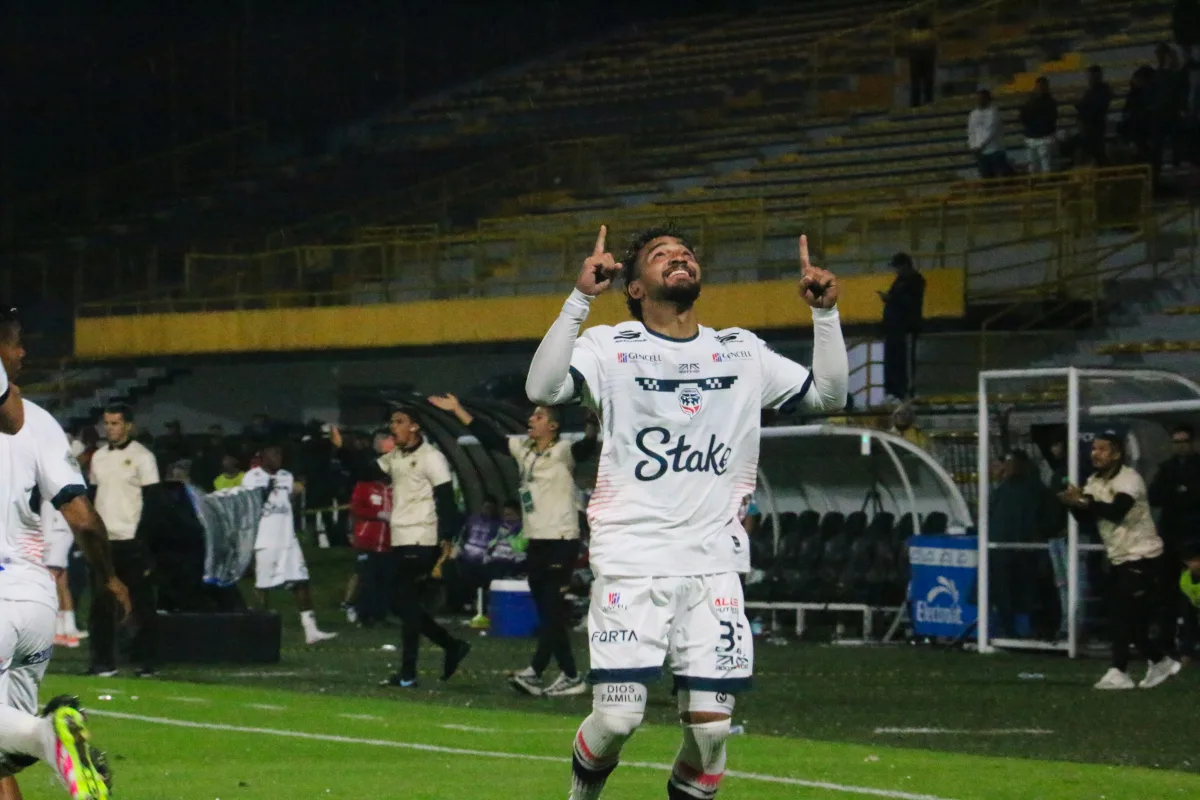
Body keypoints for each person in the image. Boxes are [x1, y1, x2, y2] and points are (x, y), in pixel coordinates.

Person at [526, 224, 848, 800]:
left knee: (712, 733)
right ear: (632, 286)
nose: (678, 257)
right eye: (659, 254)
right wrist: (579, 300)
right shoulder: (611, 347)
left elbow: (828, 397)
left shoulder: (741, 350)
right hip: (633, 559)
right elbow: (544, 387)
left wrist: (825, 317)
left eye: (686, 252)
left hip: (714, 566)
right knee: (619, 720)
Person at [0, 304, 130, 800]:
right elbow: (83, 517)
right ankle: (45, 737)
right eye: (14, 341)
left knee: (23, 734)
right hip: (33, 598)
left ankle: (45, 733)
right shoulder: (40, 422)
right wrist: (108, 577)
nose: (23, 351)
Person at [429, 393, 599, 698]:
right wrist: (457, 409)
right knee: (546, 611)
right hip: (536, 539)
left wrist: (591, 424)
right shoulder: (525, 450)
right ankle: (539, 672)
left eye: (538, 417)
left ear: (554, 426)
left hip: (561, 539)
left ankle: (568, 674)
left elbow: (586, 448)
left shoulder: (563, 451)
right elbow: (490, 438)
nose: (531, 421)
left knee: (551, 610)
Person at [332, 409, 471, 688]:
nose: (393, 427)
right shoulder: (396, 457)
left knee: (400, 601)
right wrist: (344, 449)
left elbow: (446, 500)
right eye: (392, 422)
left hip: (422, 538)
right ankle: (443, 650)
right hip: (402, 538)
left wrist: (447, 538)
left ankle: (416, 668)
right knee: (406, 605)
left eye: (399, 422)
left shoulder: (432, 457)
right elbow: (366, 472)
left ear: (416, 426)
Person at [1059, 431, 1180, 689]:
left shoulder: (1129, 479)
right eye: (1094, 448)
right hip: (1119, 557)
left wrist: (1082, 502)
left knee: (1122, 615)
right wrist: (1072, 503)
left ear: (1117, 453)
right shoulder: (1093, 481)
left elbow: (1115, 512)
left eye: (1102, 449)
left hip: (1143, 556)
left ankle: (1119, 670)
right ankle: (1160, 661)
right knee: (1131, 622)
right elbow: (1086, 519)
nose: (1096, 453)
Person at [87, 403, 160, 678]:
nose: (110, 429)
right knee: (102, 604)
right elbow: (94, 499)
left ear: (128, 425)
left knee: (141, 603)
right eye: (107, 423)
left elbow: (153, 503)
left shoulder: (143, 457)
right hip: (105, 542)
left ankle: (146, 661)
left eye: (115, 423)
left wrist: (143, 539)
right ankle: (103, 661)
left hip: (131, 539)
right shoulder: (98, 458)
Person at [242, 444, 337, 645]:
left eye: (280, 454)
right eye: (273, 453)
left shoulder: (286, 475)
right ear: (263, 455)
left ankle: (310, 630)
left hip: (287, 539)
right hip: (265, 540)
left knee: (301, 581)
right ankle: (258, 631)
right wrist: (267, 489)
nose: (277, 457)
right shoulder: (252, 477)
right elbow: (251, 505)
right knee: (263, 585)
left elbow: (288, 502)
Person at [1148, 424, 1200, 661]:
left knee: (1192, 596)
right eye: (1176, 442)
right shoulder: (1166, 469)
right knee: (1166, 593)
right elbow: (1155, 496)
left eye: (1184, 441)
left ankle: (1189, 645)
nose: (1180, 446)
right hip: (1170, 538)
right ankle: (1166, 644)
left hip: (1194, 540)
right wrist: (1178, 491)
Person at [344, 431, 394, 626]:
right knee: (367, 579)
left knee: (384, 580)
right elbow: (356, 508)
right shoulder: (365, 486)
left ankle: (380, 615)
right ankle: (363, 615)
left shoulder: (395, 489)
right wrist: (377, 515)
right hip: (368, 541)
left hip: (388, 542)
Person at [1045, 439, 1089, 642]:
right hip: (1056, 536)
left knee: (1075, 582)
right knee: (1063, 584)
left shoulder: (1078, 471)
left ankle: (1075, 626)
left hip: (1070, 535)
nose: (1054, 448)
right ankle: (1066, 625)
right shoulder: (1057, 472)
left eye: (1057, 443)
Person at [878, 253, 925, 403]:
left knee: (904, 362)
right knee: (891, 361)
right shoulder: (899, 281)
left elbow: (910, 303)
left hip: (906, 329)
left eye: (898, 267)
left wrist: (892, 299)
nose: (896, 271)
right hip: (893, 329)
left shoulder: (917, 281)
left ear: (905, 265)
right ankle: (892, 392)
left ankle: (905, 393)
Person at [41, 497, 84, 648]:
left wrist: (44, 543)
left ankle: (60, 630)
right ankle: (65, 630)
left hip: (55, 536)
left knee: (49, 585)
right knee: (61, 585)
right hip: (60, 534)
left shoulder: (50, 493)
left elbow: (47, 517)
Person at [968, 89, 1012, 178]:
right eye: (978, 98)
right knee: (985, 178)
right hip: (981, 153)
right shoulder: (973, 114)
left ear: (988, 99)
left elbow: (991, 131)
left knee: (1001, 177)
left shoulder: (994, 112)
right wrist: (973, 146)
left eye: (982, 98)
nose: (979, 101)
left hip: (995, 150)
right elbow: (971, 131)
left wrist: (981, 146)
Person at [1074, 66, 1112, 167]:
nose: (1090, 78)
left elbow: (1096, 108)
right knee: (1096, 154)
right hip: (1088, 128)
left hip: (1094, 127)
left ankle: (1109, 174)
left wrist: (1081, 107)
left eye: (1092, 76)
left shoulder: (1103, 90)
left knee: (1096, 153)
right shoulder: (1090, 91)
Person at [1020, 77, 1058, 173]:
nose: (1041, 88)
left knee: (1046, 165)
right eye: (1039, 86)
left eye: (1043, 86)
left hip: (1045, 137)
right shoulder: (1030, 102)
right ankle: (1034, 185)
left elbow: (1052, 119)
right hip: (1031, 137)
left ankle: (1046, 183)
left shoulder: (1050, 102)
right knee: (1032, 166)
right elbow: (1023, 117)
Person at [906, 16, 937, 108]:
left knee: (918, 84)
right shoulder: (930, 33)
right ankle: (927, 102)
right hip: (925, 60)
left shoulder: (913, 33)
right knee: (926, 83)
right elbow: (933, 47)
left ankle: (916, 103)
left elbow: (910, 48)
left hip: (918, 60)